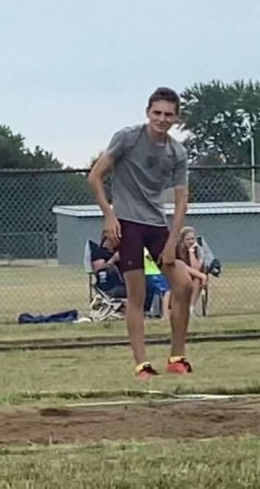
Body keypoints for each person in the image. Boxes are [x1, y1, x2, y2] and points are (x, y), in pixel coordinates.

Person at [87, 87, 194, 380]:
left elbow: (182, 199)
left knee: (184, 284)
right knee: (138, 294)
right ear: (148, 112)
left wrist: (173, 240)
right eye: (157, 113)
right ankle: (141, 364)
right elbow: (95, 176)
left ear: (176, 118)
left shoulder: (177, 152)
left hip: (157, 223)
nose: (162, 119)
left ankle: (177, 356)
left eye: (168, 115)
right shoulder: (128, 138)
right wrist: (109, 215)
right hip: (127, 222)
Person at [177, 226, 208, 315]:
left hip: (194, 274)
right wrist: (202, 275)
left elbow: (196, 268)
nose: (191, 241)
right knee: (196, 278)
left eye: (192, 239)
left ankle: (191, 309)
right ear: (182, 240)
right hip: (179, 273)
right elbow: (182, 267)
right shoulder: (177, 249)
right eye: (187, 239)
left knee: (197, 280)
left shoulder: (199, 249)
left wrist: (191, 252)